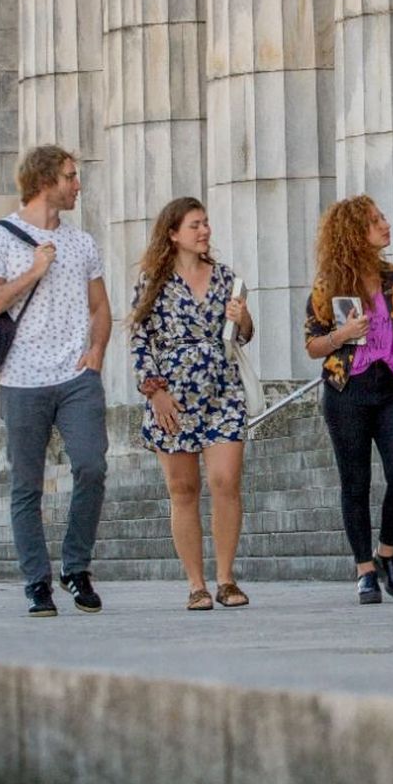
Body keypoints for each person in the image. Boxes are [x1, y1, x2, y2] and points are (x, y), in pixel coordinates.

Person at [0, 145, 111, 617]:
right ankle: (37, 581)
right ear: (46, 180)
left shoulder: (82, 242)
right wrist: (33, 272)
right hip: (22, 380)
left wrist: (96, 353)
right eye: (71, 176)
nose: (78, 184)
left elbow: (100, 307)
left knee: (91, 466)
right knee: (27, 487)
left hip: (76, 377)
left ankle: (76, 566)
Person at [130, 197, 254, 611]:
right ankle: (195, 583)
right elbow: (140, 339)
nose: (205, 231)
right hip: (174, 397)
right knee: (183, 489)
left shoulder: (224, 278)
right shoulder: (153, 280)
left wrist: (243, 317)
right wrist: (155, 390)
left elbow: (242, 334)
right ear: (173, 233)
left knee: (225, 481)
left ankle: (226, 578)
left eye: (206, 223)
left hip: (222, 390)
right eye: (195, 225)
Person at [304, 195, 393, 605]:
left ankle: (387, 552)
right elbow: (313, 344)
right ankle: (364, 570)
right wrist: (342, 335)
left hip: (391, 387)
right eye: (376, 221)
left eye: (382, 218)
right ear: (355, 233)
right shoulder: (330, 285)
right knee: (355, 482)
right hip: (346, 391)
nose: (385, 225)